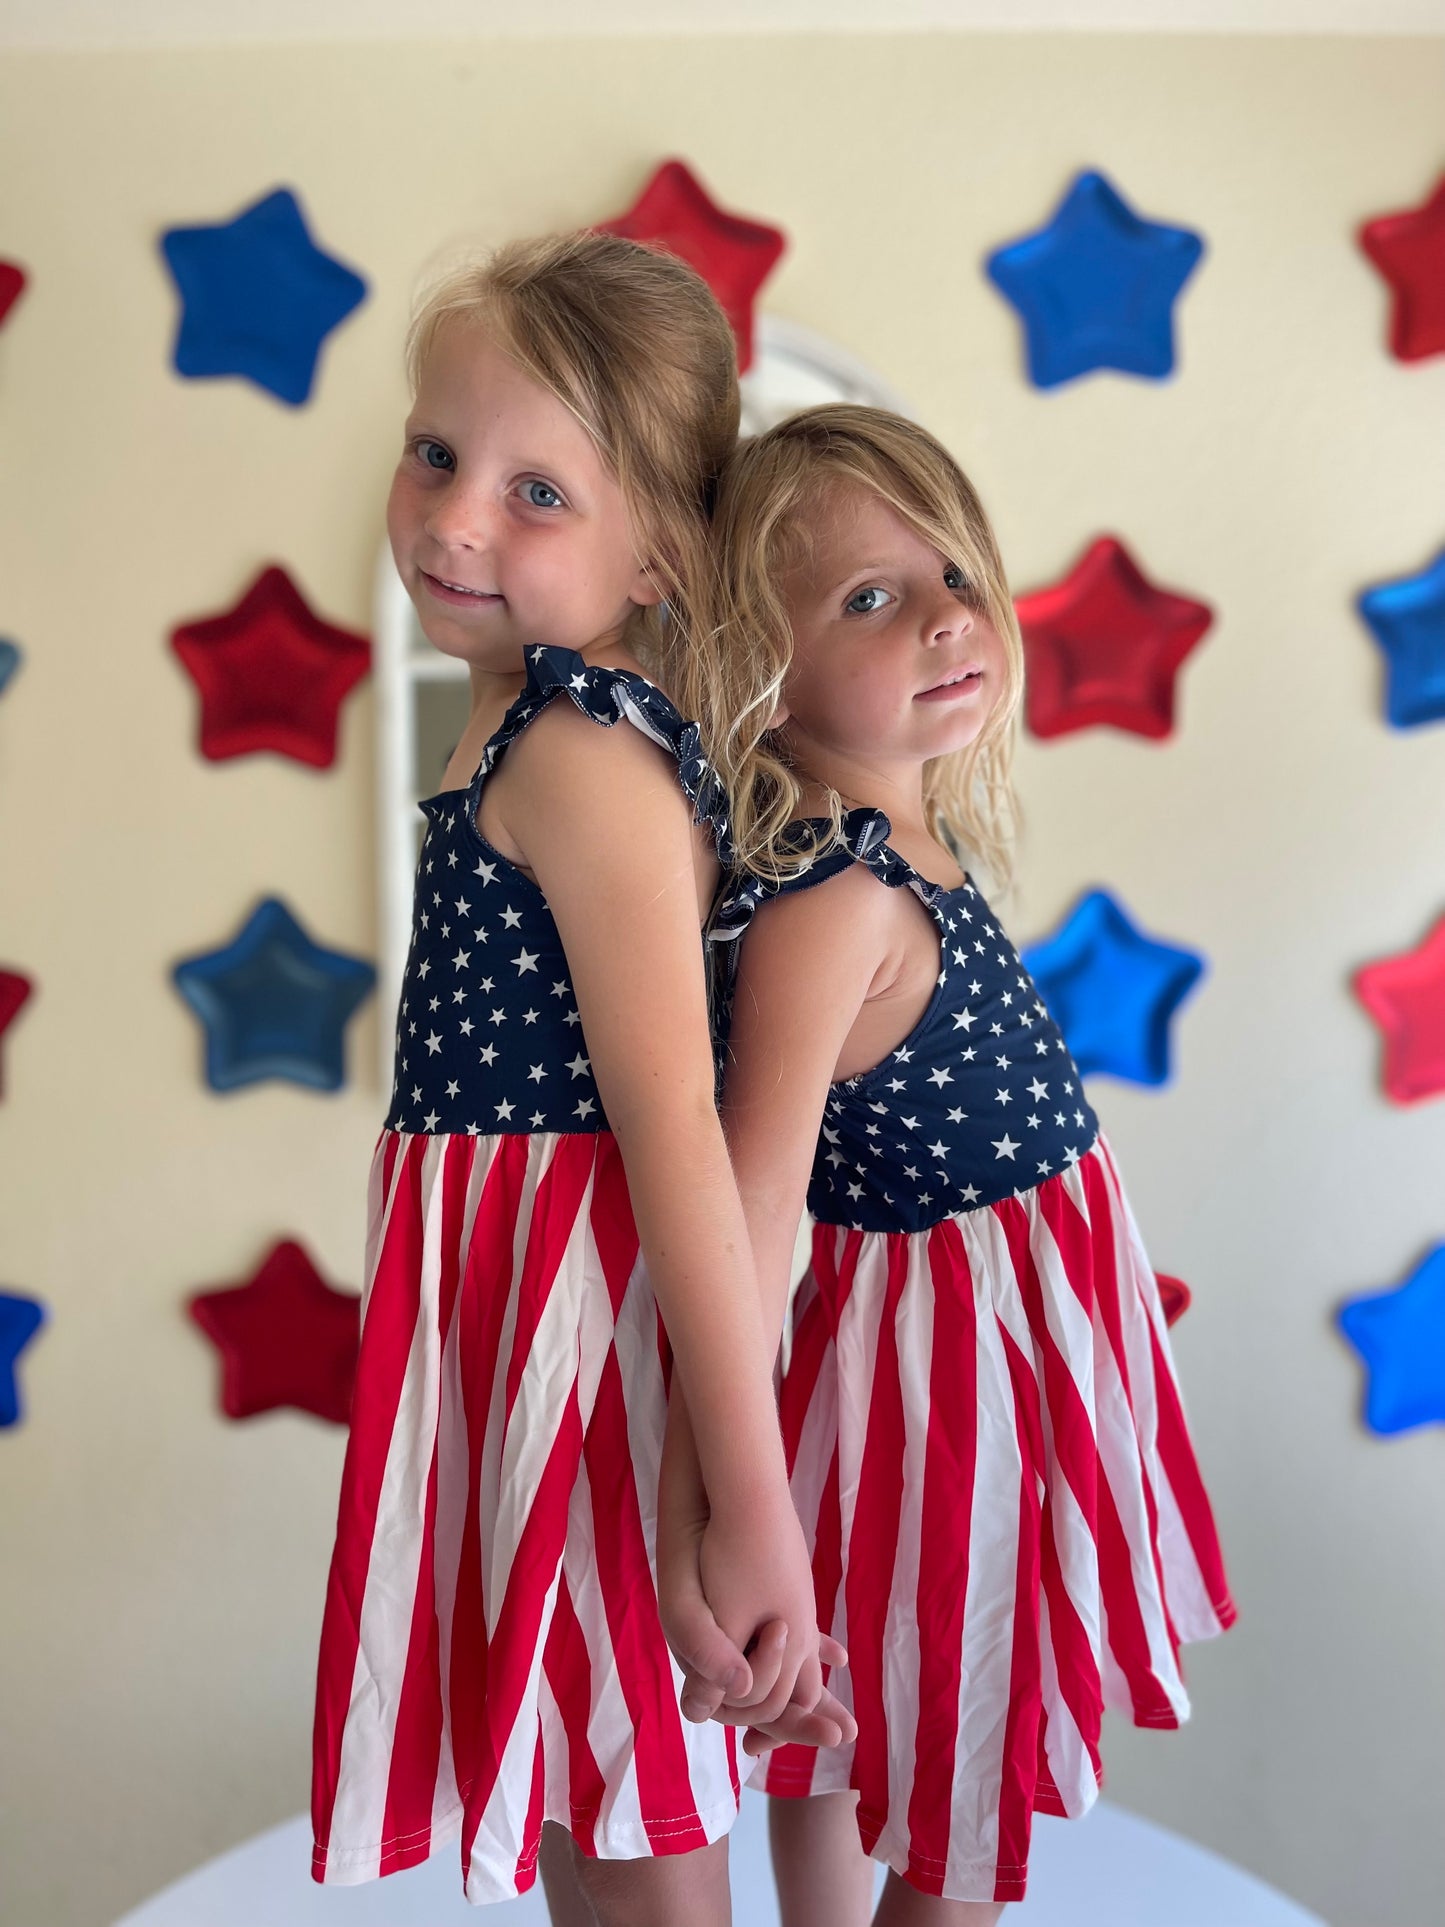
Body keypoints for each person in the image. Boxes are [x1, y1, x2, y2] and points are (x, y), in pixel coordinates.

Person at [310, 233, 850, 1927]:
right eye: (436, 452)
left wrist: (748, 1506)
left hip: (585, 1348)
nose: (456, 518)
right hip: (513, 1323)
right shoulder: (518, 730)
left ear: (658, 557)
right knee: (579, 1780)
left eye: (539, 491)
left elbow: (675, 1130)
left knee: (621, 1805)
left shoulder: (584, 755)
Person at [664, 405, 1235, 1923]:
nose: (941, 619)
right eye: (868, 599)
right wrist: (731, 1501)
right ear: (759, 677)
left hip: (977, 1360)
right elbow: (753, 1213)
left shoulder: (913, 850)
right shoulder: (833, 906)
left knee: (875, 1748)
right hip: (941, 1399)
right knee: (947, 1758)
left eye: (948, 576)